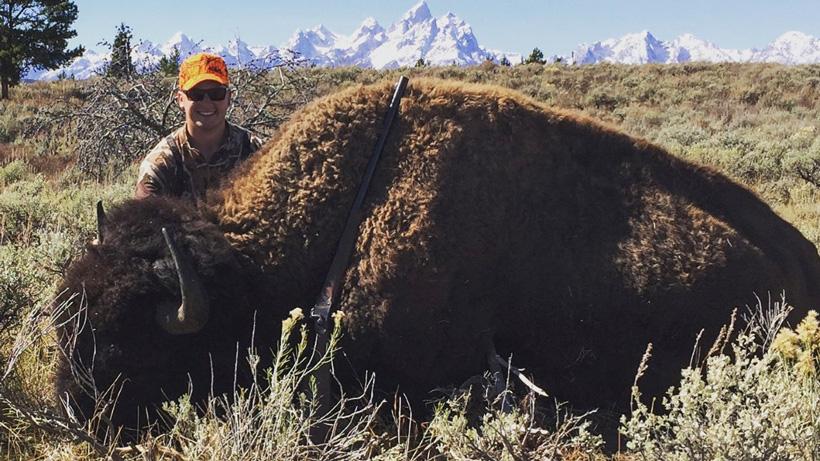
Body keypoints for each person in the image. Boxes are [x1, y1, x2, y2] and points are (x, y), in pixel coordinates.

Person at [135, 52, 263, 202]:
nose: (207, 102)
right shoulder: (160, 164)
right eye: (196, 94)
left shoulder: (256, 151)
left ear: (229, 98)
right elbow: (142, 220)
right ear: (181, 100)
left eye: (216, 93)